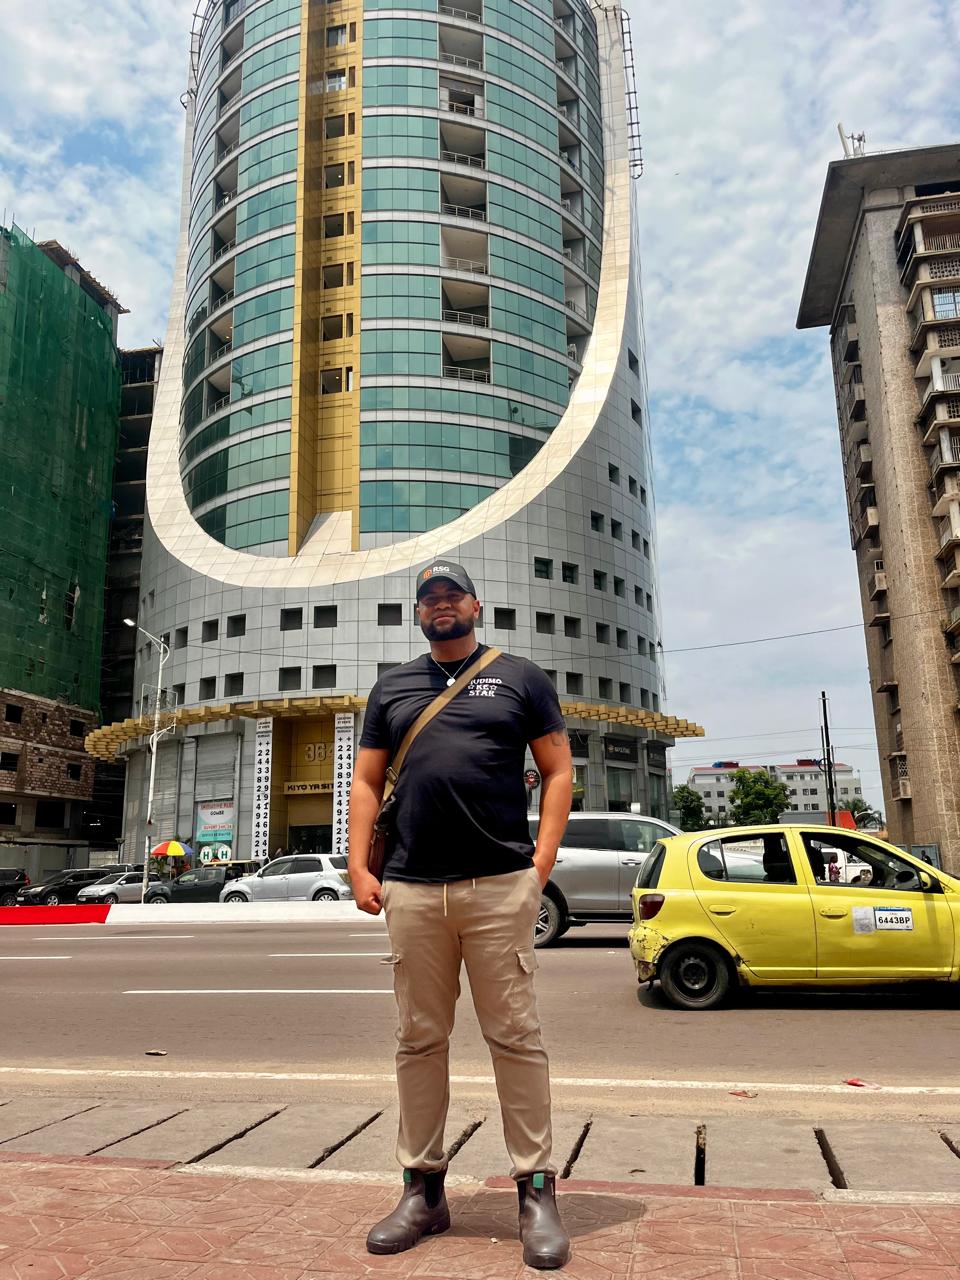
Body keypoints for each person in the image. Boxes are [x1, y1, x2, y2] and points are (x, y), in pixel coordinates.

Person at [348, 560, 573, 1270]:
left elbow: (559, 770)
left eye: (451, 595)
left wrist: (538, 867)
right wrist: (358, 865)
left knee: (516, 1037)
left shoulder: (521, 678)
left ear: (476, 604)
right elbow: (366, 778)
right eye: (429, 598)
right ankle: (423, 1191)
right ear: (418, 613)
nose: (441, 605)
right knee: (418, 1040)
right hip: (413, 888)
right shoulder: (393, 687)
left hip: (497, 884)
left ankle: (536, 1191)